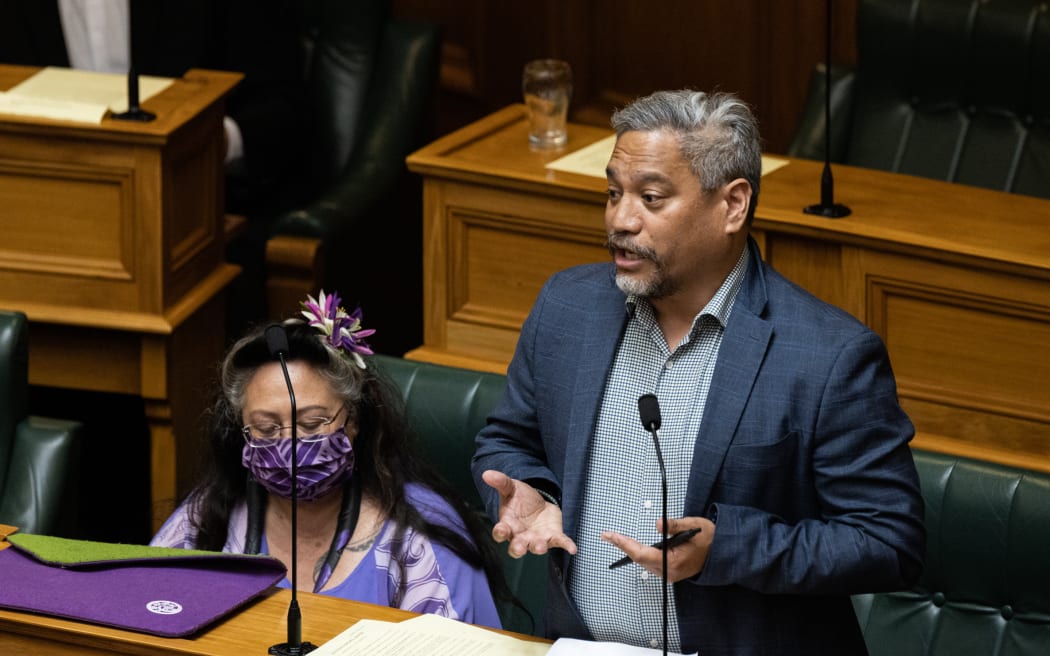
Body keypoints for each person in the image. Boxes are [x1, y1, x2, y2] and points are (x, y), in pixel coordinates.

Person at [471, 89, 926, 655]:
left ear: (732, 205)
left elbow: (889, 542)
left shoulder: (829, 356)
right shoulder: (568, 307)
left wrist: (727, 548)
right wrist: (528, 493)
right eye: (614, 193)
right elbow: (507, 440)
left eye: (651, 198)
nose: (621, 219)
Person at [151, 290, 508, 628]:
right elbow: (143, 621)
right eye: (267, 428)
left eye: (312, 423)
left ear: (353, 421)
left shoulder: (417, 541)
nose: (289, 445)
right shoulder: (207, 522)